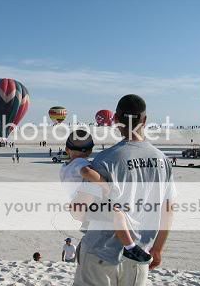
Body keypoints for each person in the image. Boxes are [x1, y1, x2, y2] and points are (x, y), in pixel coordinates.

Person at [72, 94, 176, 286]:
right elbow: (168, 210)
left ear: (116, 120)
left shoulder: (106, 159)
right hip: (139, 255)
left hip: (100, 252)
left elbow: (79, 211)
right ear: (144, 120)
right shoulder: (163, 160)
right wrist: (158, 248)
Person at [60, 129, 146, 259]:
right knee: (119, 215)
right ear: (90, 151)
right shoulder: (80, 162)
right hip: (90, 201)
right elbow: (87, 173)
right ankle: (130, 247)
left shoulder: (64, 168)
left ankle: (87, 225)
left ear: (67, 150)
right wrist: (104, 184)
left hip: (78, 201)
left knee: (103, 217)